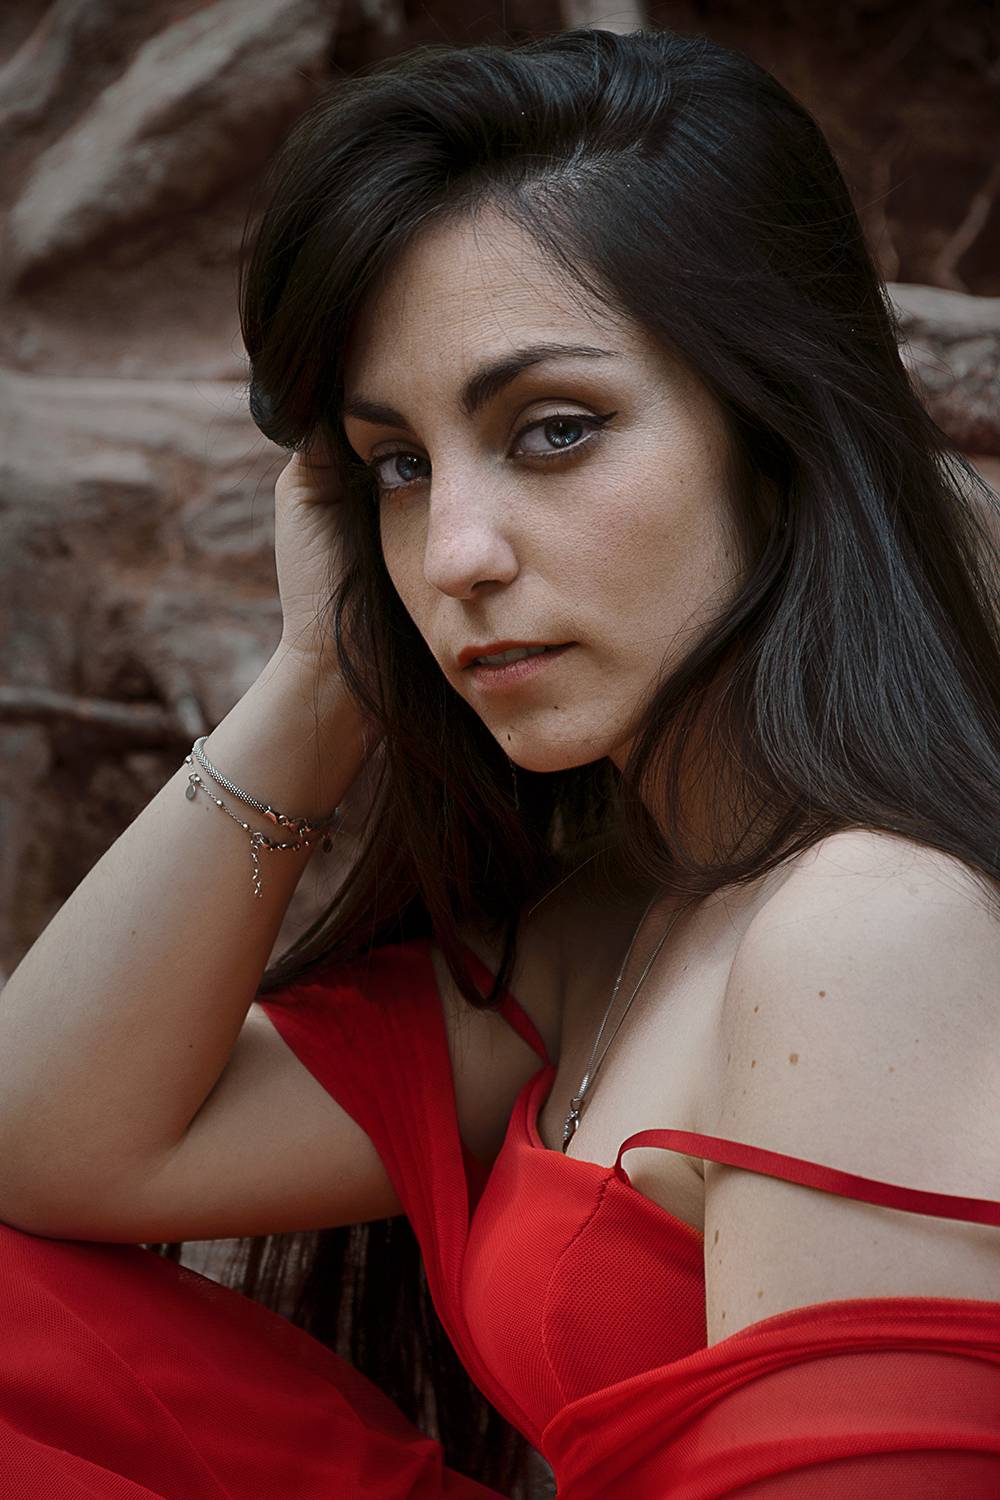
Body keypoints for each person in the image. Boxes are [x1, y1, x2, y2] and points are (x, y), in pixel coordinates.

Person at [1, 23, 999, 1500]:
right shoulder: (607, 930)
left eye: (554, 431)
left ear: (778, 433)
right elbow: (49, 1149)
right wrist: (323, 676)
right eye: (398, 466)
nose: (452, 555)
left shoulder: (872, 928)